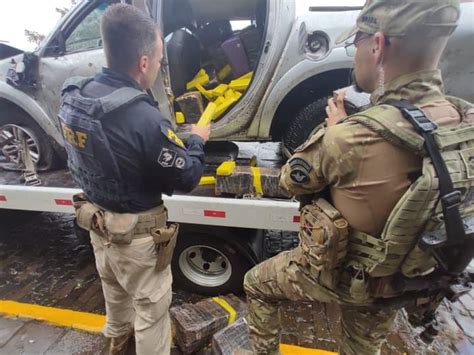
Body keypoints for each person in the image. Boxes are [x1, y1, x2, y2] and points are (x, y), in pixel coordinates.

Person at [243, 0, 472, 354]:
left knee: (256, 284)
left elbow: (292, 181)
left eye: (357, 44)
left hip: (344, 278)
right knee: (362, 346)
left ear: (377, 45)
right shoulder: (465, 120)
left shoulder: (350, 137)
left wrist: (334, 128)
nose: (355, 56)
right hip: (409, 280)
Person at [58, 4, 210, 355]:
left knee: (116, 303)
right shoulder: (143, 118)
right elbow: (186, 176)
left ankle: (114, 348)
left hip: (99, 228)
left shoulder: (76, 96)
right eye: (158, 59)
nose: (158, 66)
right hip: (137, 242)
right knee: (151, 316)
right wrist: (198, 140)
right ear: (144, 62)